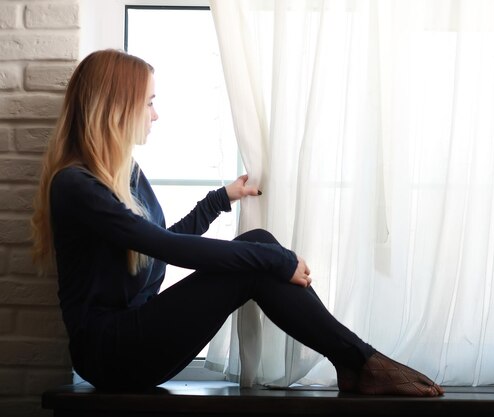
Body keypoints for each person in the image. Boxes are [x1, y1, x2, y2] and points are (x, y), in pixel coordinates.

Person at [30, 48, 445, 396]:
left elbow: (156, 245)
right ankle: (361, 361)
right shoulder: (75, 185)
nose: (155, 115)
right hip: (109, 352)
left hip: (135, 335)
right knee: (258, 256)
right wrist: (277, 262)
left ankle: (355, 362)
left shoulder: (124, 175)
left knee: (259, 244)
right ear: (116, 108)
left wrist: (220, 200)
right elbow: (162, 246)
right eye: (150, 102)